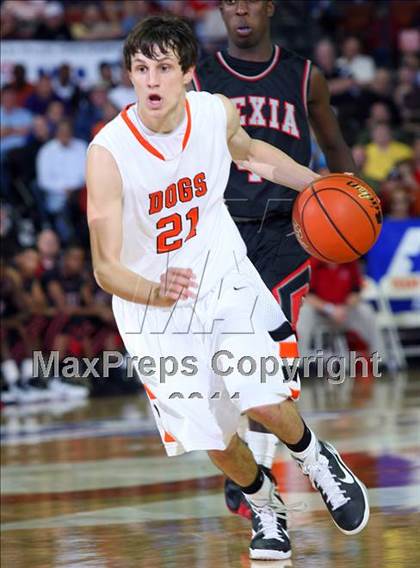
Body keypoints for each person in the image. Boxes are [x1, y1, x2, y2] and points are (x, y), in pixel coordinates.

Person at [87, 16, 369, 561]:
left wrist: (322, 185)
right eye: (141, 68)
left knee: (260, 394)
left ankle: (315, 458)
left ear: (187, 74)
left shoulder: (216, 112)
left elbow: (255, 155)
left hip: (220, 276)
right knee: (215, 439)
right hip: (152, 310)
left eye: (163, 68)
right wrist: (153, 290)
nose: (151, 80)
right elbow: (105, 267)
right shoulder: (109, 154)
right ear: (130, 75)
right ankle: (265, 506)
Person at [192, 0, 357, 519]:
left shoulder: (304, 77)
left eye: (250, 1)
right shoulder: (199, 79)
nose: (240, 11)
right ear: (221, 10)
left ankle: (259, 480)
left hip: (286, 230)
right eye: (230, 3)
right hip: (220, 233)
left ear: (269, 8)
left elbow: (334, 147)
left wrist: (356, 205)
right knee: (221, 366)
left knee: (270, 352)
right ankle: (253, 469)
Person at [297, 259, 386, 363]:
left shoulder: (350, 261)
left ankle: (379, 359)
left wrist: (344, 308)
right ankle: (298, 363)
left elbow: (356, 292)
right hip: (319, 312)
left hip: (345, 311)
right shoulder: (313, 262)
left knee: (366, 310)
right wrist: (330, 309)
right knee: (303, 313)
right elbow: (308, 295)